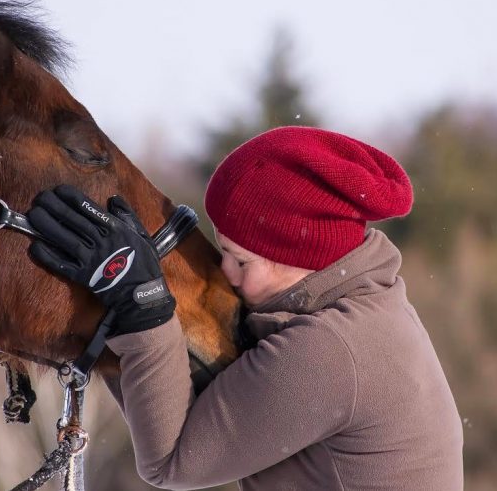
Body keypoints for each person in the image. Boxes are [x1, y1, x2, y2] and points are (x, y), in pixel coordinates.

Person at [27, 126, 464, 490]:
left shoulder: (331, 350)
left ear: (302, 257)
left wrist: (140, 306)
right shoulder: (371, 308)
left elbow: (173, 462)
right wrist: (127, 301)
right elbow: (210, 398)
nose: (227, 273)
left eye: (242, 260)